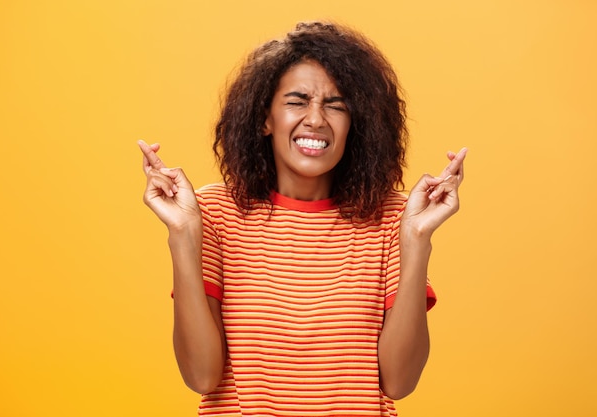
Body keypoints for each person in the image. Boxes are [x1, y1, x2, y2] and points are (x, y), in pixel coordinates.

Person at [138, 21, 467, 417]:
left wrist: (416, 239)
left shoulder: (394, 217)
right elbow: (201, 377)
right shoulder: (212, 213)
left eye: (336, 105)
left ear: (355, 124)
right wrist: (181, 235)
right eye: (297, 101)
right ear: (265, 119)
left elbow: (399, 381)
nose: (315, 119)